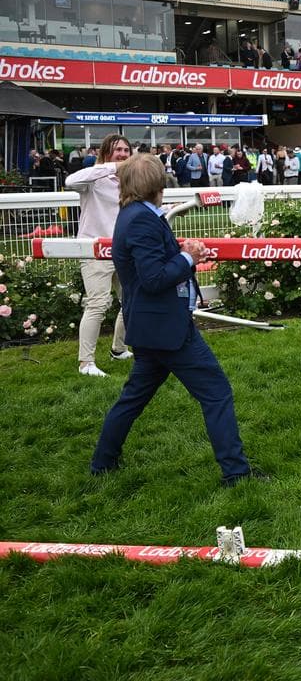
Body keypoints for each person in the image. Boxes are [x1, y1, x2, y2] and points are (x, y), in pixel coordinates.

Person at [89, 153, 266, 487]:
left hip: (152, 327)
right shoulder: (142, 218)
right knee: (216, 393)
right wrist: (189, 257)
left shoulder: (135, 214)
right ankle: (236, 474)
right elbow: (154, 278)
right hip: (166, 329)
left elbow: (149, 266)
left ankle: (103, 463)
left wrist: (181, 251)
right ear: (157, 184)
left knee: (133, 398)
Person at [66, 135, 133, 377]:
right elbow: (70, 180)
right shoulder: (93, 178)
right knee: (98, 304)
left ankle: (118, 348)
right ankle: (86, 363)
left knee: (132, 300)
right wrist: (110, 167)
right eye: (118, 150)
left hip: (122, 251)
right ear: (107, 153)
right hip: (94, 250)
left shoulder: (128, 182)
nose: (124, 154)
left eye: (127, 150)